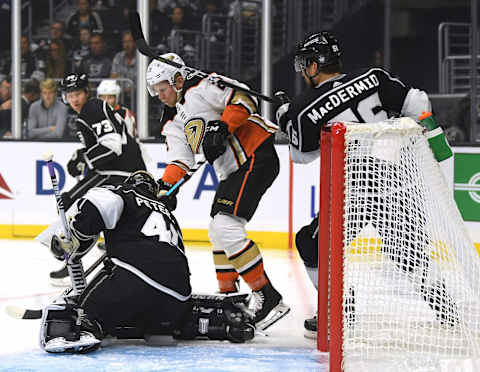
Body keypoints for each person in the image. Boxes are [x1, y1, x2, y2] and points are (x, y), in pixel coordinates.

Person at [276, 31, 458, 336]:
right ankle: (447, 310)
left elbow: (301, 156)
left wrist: (285, 117)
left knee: (311, 244)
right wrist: (436, 141)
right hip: (396, 178)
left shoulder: (304, 108)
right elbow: (417, 102)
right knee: (408, 251)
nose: (304, 70)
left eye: (306, 63)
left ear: (316, 65)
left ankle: (337, 310)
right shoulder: (372, 77)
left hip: (355, 187)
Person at [146, 53, 290, 331]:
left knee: (225, 227)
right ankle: (230, 298)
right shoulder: (172, 120)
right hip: (234, 169)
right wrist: (165, 187)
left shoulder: (203, 86)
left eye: (162, 88)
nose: (159, 95)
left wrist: (223, 126)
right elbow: (180, 160)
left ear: (177, 80)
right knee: (217, 230)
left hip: (255, 154)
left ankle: (268, 297)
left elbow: (245, 99)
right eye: (155, 91)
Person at [40, 171, 255, 353]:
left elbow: (97, 204)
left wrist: (76, 232)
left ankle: (88, 321)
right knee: (146, 303)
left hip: (133, 282)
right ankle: (182, 325)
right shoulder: (166, 213)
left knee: (83, 308)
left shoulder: (124, 192)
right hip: (177, 296)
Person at [38, 72, 146, 285]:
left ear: (86, 93)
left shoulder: (93, 108)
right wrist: (81, 157)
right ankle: (77, 264)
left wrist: (84, 159)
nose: (74, 99)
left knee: (72, 204)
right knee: (87, 211)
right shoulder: (86, 113)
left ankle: (72, 266)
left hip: (119, 173)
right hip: (121, 171)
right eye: (70, 95)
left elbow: (113, 146)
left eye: (77, 93)